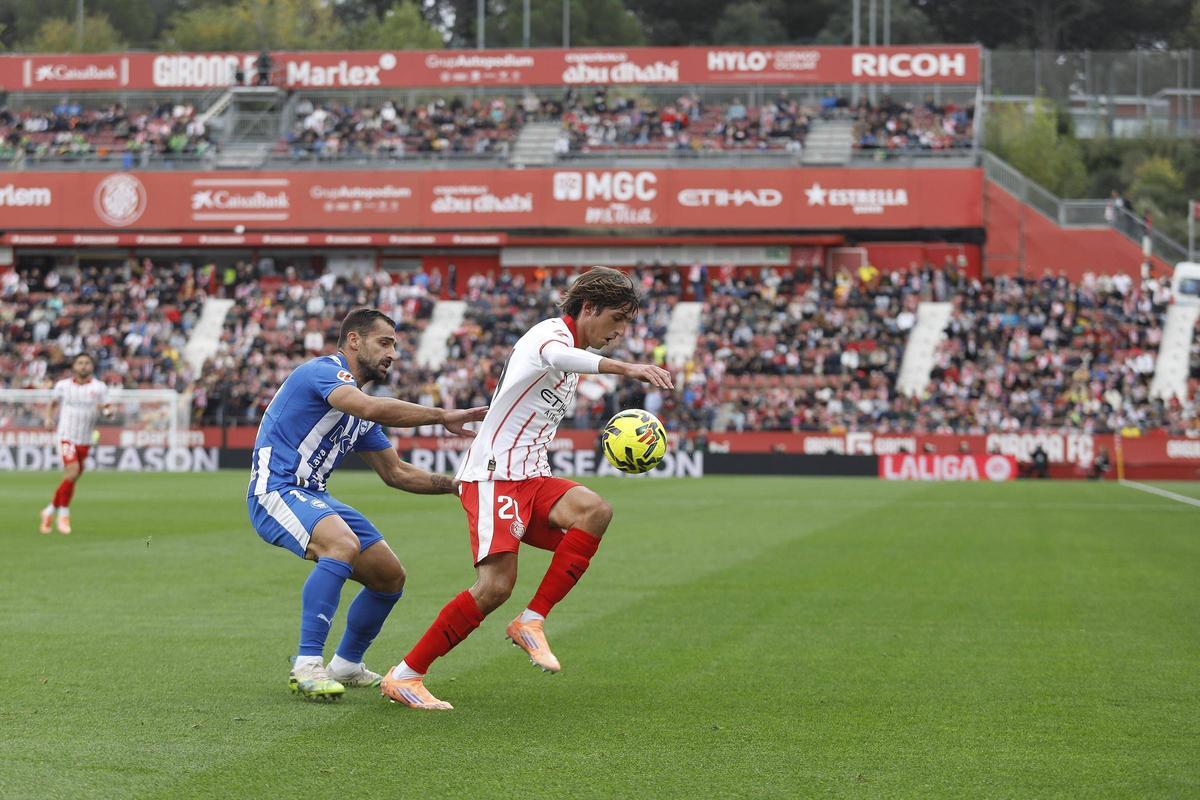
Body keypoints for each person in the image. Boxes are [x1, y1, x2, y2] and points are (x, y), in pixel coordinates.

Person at [381, 266, 674, 710]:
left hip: (531, 476)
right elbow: (558, 357)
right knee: (495, 587)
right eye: (616, 319)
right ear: (589, 308)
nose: (620, 332)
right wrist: (627, 369)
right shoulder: (548, 335)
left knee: (594, 511)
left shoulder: (573, 351)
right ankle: (406, 675)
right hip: (494, 474)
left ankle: (531, 621)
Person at [247, 308, 486, 701]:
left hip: (313, 494)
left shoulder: (359, 412)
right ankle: (307, 665)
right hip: (275, 489)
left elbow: (396, 472)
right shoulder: (324, 372)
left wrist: (459, 486)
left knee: (388, 576)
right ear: (354, 341)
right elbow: (370, 407)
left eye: (395, 345)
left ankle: (346, 664)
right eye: (384, 342)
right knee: (341, 544)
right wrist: (442, 415)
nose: (393, 353)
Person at [39, 353, 113, 534]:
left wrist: (107, 411)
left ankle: (49, 510)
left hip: (85, 439)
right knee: (72, 471)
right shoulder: (63, 386)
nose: (83, 366)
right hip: (66, 436)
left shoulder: (99, 387)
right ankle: (63, 515)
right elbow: (53, 403)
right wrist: (48, 418)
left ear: (92, 366)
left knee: (71, 478)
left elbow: (109, 409)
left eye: (87, 363)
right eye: (80, 363)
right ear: (74, 366)